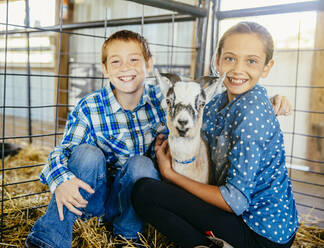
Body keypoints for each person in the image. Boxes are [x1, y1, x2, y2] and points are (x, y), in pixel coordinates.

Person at [132, 21, 299, 248]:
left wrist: (170, 174)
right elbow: (188, 118)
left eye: (251, 61)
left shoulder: (252, 113)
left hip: (260, 234)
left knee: (145, 193)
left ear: (267, 67)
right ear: (218, 60)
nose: (238, 69)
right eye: (230, 58)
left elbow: (234, 201)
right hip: (246, 220)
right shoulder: (217, 101)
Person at [25, 30, 167, 248]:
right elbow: (62, 151)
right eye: (116, 61)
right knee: (86, 154)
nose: (125, 68)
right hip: (91, 201)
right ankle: (49, 239)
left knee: (142, 164)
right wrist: (61, 181)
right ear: (105, 69)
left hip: (132, 204)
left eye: (134, 60)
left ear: (149, 64)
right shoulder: (90, 106)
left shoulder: (163, 101)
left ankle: (128, 238)